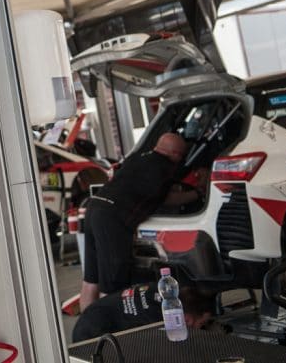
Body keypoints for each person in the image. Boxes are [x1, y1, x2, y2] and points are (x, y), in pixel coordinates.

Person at [80, 132, 205, 310]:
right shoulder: (164, 167)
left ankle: (89, 333)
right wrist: (197, 194)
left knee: (91, 280)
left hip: (95, 207)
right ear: (177, 155)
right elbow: (167, 198)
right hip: (112, 218)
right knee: (112, 285)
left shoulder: (137, 157)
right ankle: (110, 333)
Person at [72, 281, 215, 342]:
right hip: (90, 339)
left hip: (89, 319)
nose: (201, 328)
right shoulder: (158, 321)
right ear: (187, 319)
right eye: (201, 324)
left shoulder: (163, 289)